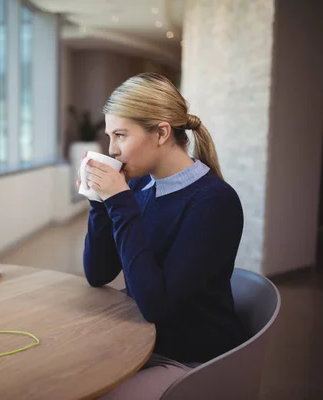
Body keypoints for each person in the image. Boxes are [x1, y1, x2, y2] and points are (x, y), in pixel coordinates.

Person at [78, 72, 248, 399]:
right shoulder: (142, 187)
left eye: (121, 135)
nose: (112, 149)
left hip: (189, 357)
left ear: (161, 133)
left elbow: (156, 305)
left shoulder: (214, 202)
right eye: (109, 136)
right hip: (140, 341)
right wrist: (99, 203)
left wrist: (120, 202)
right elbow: (98, 274)